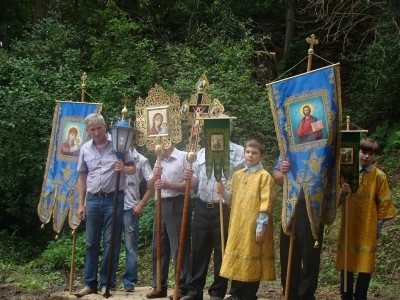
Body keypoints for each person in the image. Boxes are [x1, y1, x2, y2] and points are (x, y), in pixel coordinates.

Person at [181, 117, 245, 300]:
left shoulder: (240, 152)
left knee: (222, 249)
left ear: (229, 130)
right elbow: (196, 181)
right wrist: (188, 178)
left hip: (224, 208)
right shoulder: (201, 153)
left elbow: (250, 177)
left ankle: (217, 291)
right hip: (202, 205)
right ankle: (194, 291)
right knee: (199, 250)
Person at [74, 113, 136, 297]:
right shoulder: (85, 149)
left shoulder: (119, 144)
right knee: (91, 243)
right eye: (92, 130)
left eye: (99, 128)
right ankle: (89, 283)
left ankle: (106, 282)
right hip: (93, 200)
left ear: (105, 127)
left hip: (113, 199)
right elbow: (82, 177)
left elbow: (132, 168)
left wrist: (123, 169)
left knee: (111, 242)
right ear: (88, 131)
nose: (96, 132)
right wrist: (80, 204)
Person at [216, 139, 277, 300]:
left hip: (253, 226)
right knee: (238, 257)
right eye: (248, 152)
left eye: (254, 153)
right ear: (244, 153)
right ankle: (236, 293)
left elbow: (266, 203)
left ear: (261, 156)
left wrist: (260, 227)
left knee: (252, 259)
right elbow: (231, 199)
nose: (250, 155)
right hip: (238, 224)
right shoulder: (237, 175)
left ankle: (249, 294)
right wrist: (223, 192)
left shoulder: (265, 177)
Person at [336, 138, 395, 300]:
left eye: (371, 154)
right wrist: (343, 193)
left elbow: (384, 204)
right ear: (358, 152)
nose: (366, 156)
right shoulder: (347, 173)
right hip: (349, 224)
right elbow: (336, 202)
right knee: (347, 259)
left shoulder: (379, 176)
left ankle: (361, 295)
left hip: (368, 226)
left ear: (375, 156)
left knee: (365, 261)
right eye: (364, 152)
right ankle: (345, 294)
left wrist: (377, 229)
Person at [145, 144, 197, 299]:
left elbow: (193, 183)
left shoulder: (184, 157)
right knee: (159, 246)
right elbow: (149, 186)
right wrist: (155, 175)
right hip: (160, 203)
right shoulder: (158, 158)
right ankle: (159, 285)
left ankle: (182, 287)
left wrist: (169, 185)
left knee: (179, 247)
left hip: (178, 203)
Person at [272, 156, 324, 300]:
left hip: (313, 207)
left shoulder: (322, 147)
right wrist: (284, 172)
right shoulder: (288, 149)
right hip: (291, 204)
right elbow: (276, 177)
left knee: (310, 254)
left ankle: (306, 294)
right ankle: (290, 292)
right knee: (289, 252)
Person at [115, 139, 153, 292]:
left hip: (131, 207)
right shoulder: (114, 157)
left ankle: (129, 280)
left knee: (131, 247)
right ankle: (108, 280)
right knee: (111, 244)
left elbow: (152, 184)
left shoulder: (141, 160)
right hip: (113, 206)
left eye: (127, 138)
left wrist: (141, 204)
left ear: (132, 140)